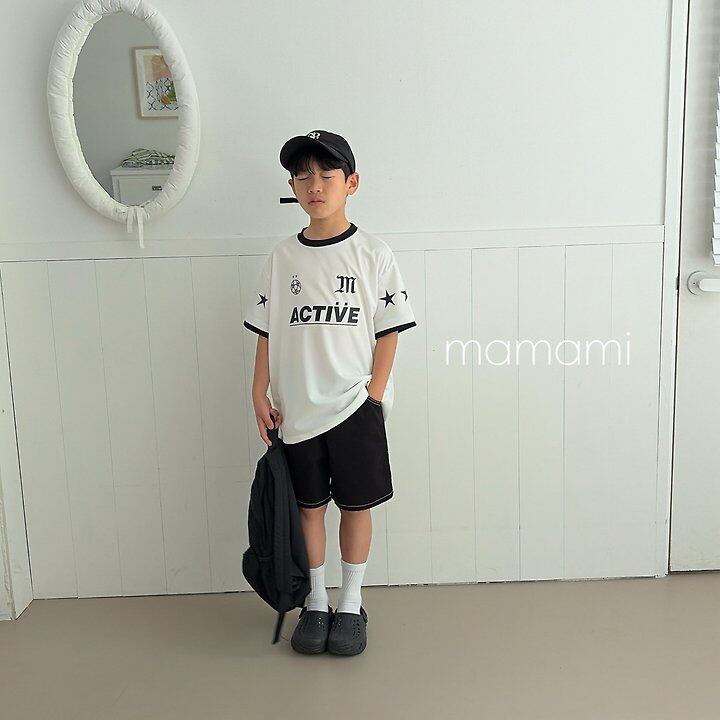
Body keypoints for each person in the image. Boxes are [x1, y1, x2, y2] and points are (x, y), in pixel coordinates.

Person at [243, 129, 417, 656]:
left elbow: (389, 332)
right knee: (309, 509)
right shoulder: (282, 258)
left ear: (351, 183)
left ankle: (350, 603)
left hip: (354, 407)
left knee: (356, 507)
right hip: (296, 410)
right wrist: (259, 392)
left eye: (326, 175)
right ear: (292, 186)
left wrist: (373, 396)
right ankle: (316, 602)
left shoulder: (373, 254)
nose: (314, 185)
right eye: (302, 176)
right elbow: (266, 333)